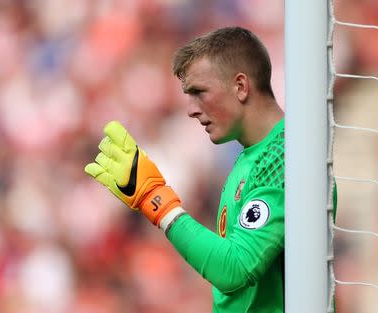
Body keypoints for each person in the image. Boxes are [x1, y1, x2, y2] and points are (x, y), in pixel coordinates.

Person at [85, 26, 285, 313]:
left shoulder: (282, 155)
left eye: (199, 92)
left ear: (241, 86)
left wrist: (156, 201)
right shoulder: (251, 156)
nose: (190, 109)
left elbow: (235, 268)